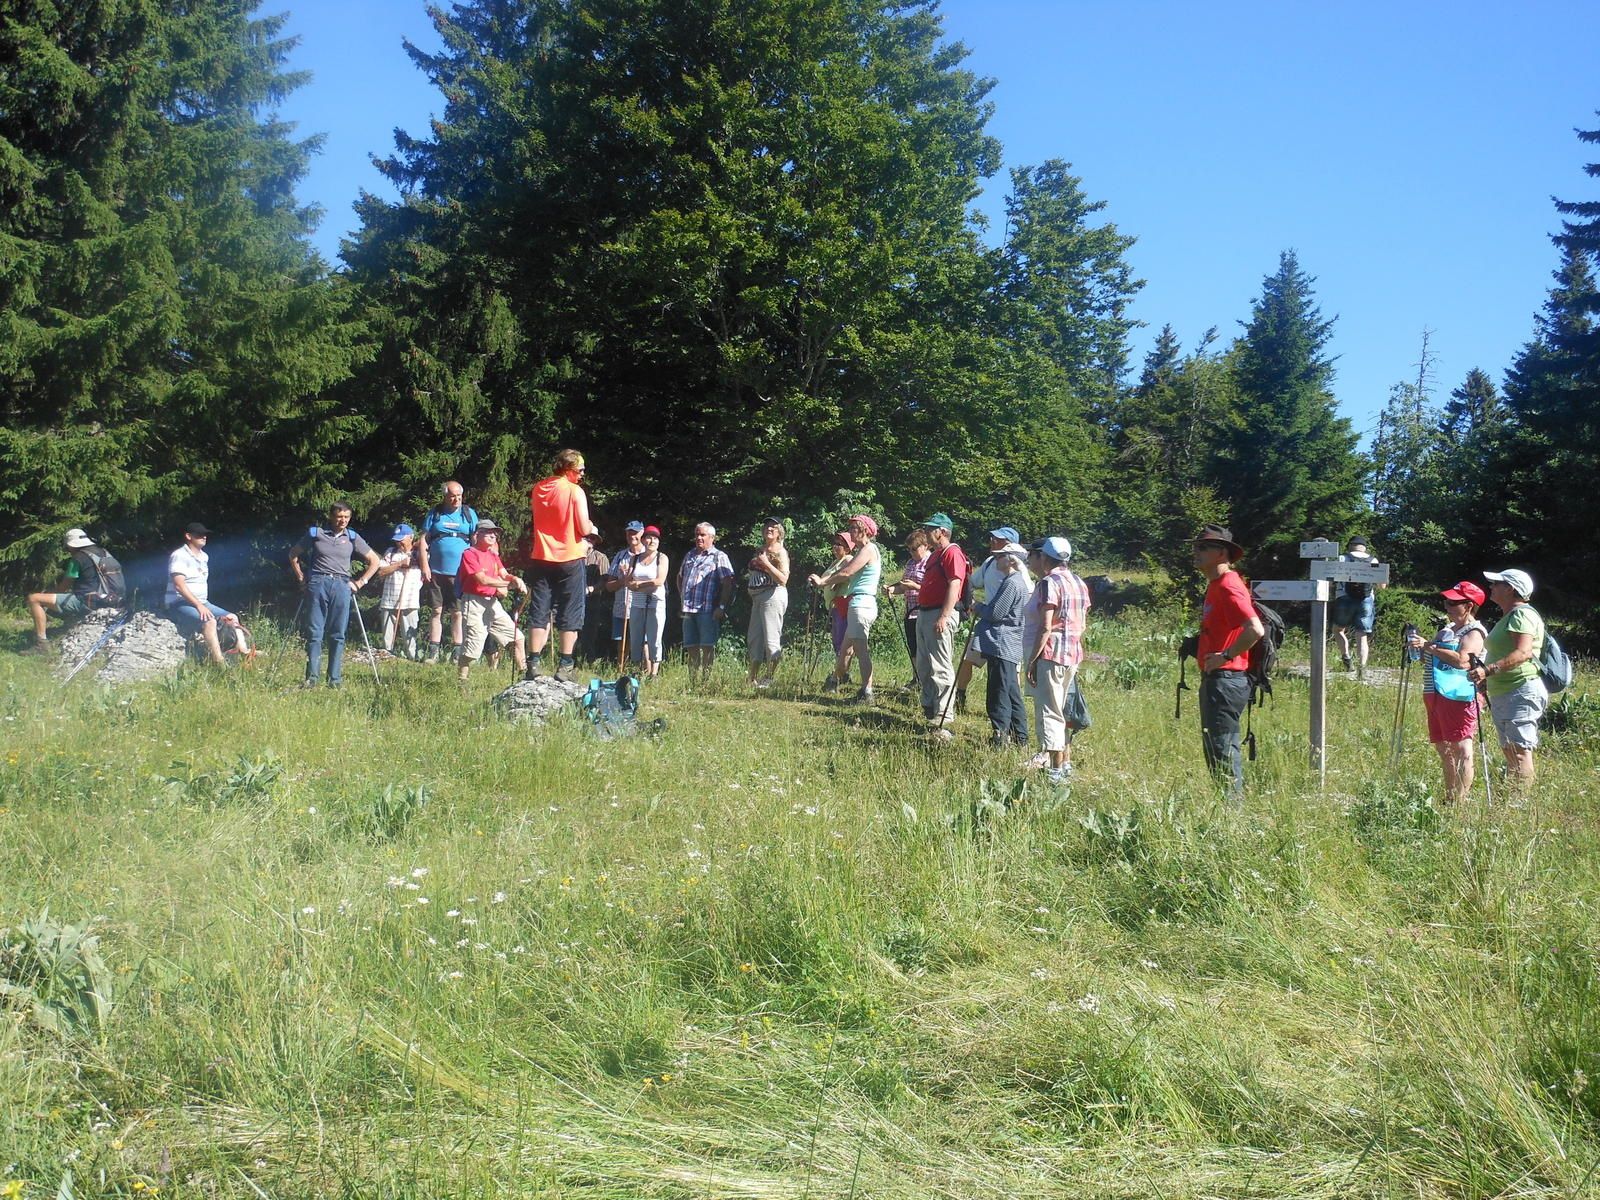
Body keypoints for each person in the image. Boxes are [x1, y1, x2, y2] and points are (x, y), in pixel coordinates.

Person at [1190, 523, 1264, 796]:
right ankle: (1228, 808)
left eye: (1204, 547)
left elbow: (1255, 629)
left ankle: (1231, 814)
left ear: (1222, 553)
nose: (1196, 552)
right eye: (1196, 546)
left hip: (1226, 679)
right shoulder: (1215, 584)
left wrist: (1225, 656)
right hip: (1220, 679)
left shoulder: (1228, 585)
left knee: (1222, 748)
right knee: (1216, 747)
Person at [1465, 568, 1548, 793]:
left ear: (1510, 588)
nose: (1491, 587)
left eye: (1496, 583)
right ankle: (1514, 796)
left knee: (1520, 750)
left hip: (1520, 689)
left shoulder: (1522, 614)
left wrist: (1488, 671)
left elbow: (1523, 653)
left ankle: (1520, 803)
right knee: (1510, 749)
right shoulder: (1510, 616)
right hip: (1507, 691)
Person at [1407, 581, 1488, 804]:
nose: (1447, 606)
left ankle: (1460, 801)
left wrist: (1428, 646)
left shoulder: (1474, 632)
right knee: (1444, 748)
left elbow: (1463, 661)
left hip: (1459, 695)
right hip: (1435, 692)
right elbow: (1432, 658)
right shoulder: (1447, 630)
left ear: (1469, 606)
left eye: (1453, 602)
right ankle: (1450, 796)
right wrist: (1419, 650)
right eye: (1446, 601)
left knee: (1461, 748)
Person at [289, 503, 381, 688]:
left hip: (341, 584)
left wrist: (360, 582)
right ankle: (312, 679)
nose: (343, 521)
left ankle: (335, 680)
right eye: (340, 516)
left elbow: (375, 561)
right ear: (331, 517)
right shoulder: (316, 534)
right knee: (315, 632)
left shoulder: (353, 537)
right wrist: (301, 578)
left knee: (338, 633)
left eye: (347, 517)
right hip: (318, 583)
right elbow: (293, 554)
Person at [526, 449, 598, 682]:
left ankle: (533, 663)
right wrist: (592, 529)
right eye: (580, 470)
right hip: (570, 557)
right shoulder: (574, 491)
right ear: (568, 469)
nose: (582, 474)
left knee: (540, 609)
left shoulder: (539, 489)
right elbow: (584, 528)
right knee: (571, 611)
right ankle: (565, 665)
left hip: (542, 557)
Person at [1023, 537, 1091, 783]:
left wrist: (1033, 660)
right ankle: (1066, 764)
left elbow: (1045, 626)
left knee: (1050, 712)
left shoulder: (1048, 583)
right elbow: (1082, 621)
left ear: (1044, 557)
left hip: (1051, 654)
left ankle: (1055, 770)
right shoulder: (1079, 582)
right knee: (1062, 708)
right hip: (1072, 655)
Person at [955, 526, 1032, 712]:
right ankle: (960, 696)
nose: (992, 542)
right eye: (992, 538)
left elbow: (1028, 595)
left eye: (997, 539)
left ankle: (1011, 706)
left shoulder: (1019, 571)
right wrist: (968, 601)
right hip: (986, 621)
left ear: (1009, 545)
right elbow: (972, 581)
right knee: (967, 659)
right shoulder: (990, 562)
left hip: (1009, 628)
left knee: (1010, 671)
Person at [808, 515, 882, 703]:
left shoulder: (868, 549)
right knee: (845, 651)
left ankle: (867, 692)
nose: (850, 533)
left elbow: (847, 572)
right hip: (859, 604)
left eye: (854, 529)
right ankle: (834, 680)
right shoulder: (863, 551)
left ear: (864, 530)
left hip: (861, 604)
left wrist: (823, 581)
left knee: (861, 649)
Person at [26, 528, 126, 652]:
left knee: (34, 598)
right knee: (64, 598)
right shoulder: (104, 552)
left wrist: (48, 594)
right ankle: (67, 626)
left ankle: (41, 643)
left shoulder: (78, 558)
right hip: (112, 600)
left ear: (71, 545)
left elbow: (64, 587)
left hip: (88, 601)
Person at [915, 513, 969, 737]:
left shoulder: (952, 553)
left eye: (931, 529)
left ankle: (945, 712)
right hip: (926, 613)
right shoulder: (936, 555)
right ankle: (929, 706)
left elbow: (954, 585)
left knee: (940, 664)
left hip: (940, 613)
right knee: (924, 663)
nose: (927, 533)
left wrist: (945, 616)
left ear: (942, 531)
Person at [973, 543, 1030, 750]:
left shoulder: (1012, 583)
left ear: (1011, 559)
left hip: (1002, 644)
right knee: (1011, 692)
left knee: (998, 692)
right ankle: (1020, 738)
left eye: (1000, 556)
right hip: (1008, 645)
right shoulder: (1015, 581)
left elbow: (995, 613)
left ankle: (1000, 737)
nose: (996, 560)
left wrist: (976, 606)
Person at [456, 520, 527, 681]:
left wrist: (515, 578)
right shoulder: (469, 554)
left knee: (517, 637)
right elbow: (482, 580)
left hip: (492, 603)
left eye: (495, 533)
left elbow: (503, 573)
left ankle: (525, 676)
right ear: (477, 535)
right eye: (488, 532)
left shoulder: (493, 555)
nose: (493, 535)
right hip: (473, 602)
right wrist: (509, 585)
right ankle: (462, 681)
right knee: (471, 650)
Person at [419, 481, 479, 663]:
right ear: (445, 496)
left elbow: (476, 540)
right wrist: (424, 566)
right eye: (453, 496)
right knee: (436, 611)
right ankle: (433, 653)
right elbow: (423, 541)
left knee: (457, 613)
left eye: (459, 496)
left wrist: (476, 567)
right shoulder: (435, 513)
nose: (456, 500)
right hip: (436, 571)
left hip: (460, 573)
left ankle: (457, 653)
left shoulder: (469, 514)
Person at [165, 522, 239, 666]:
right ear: (188, 536)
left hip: (203, 602)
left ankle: (242, 651)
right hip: (179, 603)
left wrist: (202, 604)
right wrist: (199, 605)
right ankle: (219, 662)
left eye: (205, 534)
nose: (204, 537)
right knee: (209, 621)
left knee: (232, 617)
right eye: (199, 534)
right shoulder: (179, 555)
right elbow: (179, 586)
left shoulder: (204, 557)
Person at [677, 522, 734, 682]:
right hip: (688, 609)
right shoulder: (690, 555)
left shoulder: (719, 556)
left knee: (707, 646)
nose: (699, 538)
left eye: (702, 535)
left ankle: (705, 682)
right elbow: (680, 576)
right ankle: (693, 682)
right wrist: (682, 596)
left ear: (712, 538)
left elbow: (728, 582)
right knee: (691, 647)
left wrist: (721, 606)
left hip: (708, 609)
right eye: (697, 534)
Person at [745, 517, 791, 689]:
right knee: (754, 639)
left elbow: (783, 579)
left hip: (772, 596)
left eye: (773, 527)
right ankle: (752, 678)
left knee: (771, 640)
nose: (769, 529)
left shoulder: (781, 552)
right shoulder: (760, 549)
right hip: (757, 598)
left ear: (779, 532)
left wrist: (765, 563)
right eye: (766, 526)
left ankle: (770, 677)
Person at [886, 529, 932, 689]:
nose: (911, 552)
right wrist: (893, 589)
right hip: (910, 610)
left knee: (924, 648)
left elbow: (932, 588)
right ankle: (916, 678)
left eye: (914, 548)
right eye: (909, 549)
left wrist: (914, 586)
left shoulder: (931, 562)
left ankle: (927, 681)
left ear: (925, 546)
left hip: (925, 611)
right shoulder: (911, 563)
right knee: (913, 647)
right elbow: (904, 586)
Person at [622, 525, 669, 676]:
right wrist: (630, 582)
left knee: (654, 638)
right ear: (643, 540)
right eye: (649, 537)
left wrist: (639, 585)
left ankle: (654, 674)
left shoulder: (662, 557)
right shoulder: (635, 559)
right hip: (637, 603)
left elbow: (659, 581)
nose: (652, 541)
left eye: (655, 538)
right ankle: (636, 670)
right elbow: (628, 582)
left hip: (656, 602)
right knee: (636, 637)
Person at [1332, 535, 1381, 674]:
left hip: (1344, 597)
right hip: (1366, 600)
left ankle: (1346, 657)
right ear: (1364, 547)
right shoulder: (1373, 560)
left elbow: (1333, 578)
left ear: (1350, 545)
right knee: (1362, 635)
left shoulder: (1343, 558)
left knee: (1338, 630)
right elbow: (1382, 585)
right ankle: (1362, 668)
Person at [376, 524, 424, 659]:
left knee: (410, 635)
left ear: (411, 538)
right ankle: (387, 657)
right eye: (397, 540)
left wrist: (416, 551)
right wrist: (399, 564)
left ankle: (412, 659)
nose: (399, 543)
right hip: (389, 600)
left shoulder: (418, 553)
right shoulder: (390, 552)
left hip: (410, 600)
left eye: (401, 539)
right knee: (387, 636)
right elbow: (381, 572)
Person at [605, 521, 647, 659]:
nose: (631, 535)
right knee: (622, 641)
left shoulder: (648, 555)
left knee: (643, 640)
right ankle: (621, 669)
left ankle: (644, 671)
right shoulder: (620, 556)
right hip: (622, 607)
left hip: (642, 606)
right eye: (629, 532)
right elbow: (609, 585)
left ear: (642, 533)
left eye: (635, 532)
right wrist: (623, 581)